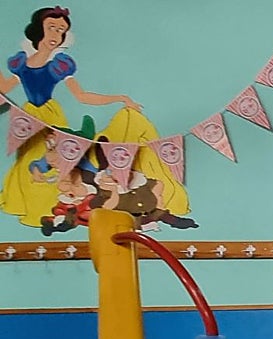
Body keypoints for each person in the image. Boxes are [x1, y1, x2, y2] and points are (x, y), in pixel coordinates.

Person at [0, 7, 189, 227]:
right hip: (28, 116)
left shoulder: (59, 64)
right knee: (28, 164)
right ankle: (44, 208)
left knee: (59, 158)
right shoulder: (20, 62)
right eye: (52, 28)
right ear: (37, 29)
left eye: (61, 31)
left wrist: (119, 97)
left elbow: (81, 96)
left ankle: (61, 209)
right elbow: (5, 87)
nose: (56, 35)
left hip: (50, 116)